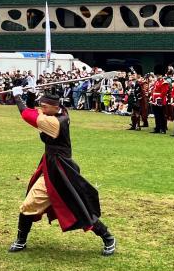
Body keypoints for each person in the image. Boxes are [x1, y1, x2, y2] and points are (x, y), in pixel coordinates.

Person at [7, 87, 116, 256]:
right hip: (50, 171)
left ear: (52, 107)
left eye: (44, 106)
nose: (41, 109)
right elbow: (35, 111)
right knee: (28, 205)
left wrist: (17, 97)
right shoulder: (59, 111)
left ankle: (108, 237)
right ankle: (21, 240)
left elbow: (27, 115)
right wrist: (30, 95)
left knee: (79, 206)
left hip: (62, 172)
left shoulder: (55, 122)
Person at [150, 64, 169, 134]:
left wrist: (158, 99)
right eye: (157, 75)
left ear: (162, 75)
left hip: (161, 101)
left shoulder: (164, 82)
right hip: (155, 101)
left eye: (159, 75)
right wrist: (152, 97)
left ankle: (163, 129)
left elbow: (163, 93)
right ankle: (157, 128)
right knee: (157, 115)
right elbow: (153, 91)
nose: (157, 76)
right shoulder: (156, 82)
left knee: (162, 115)